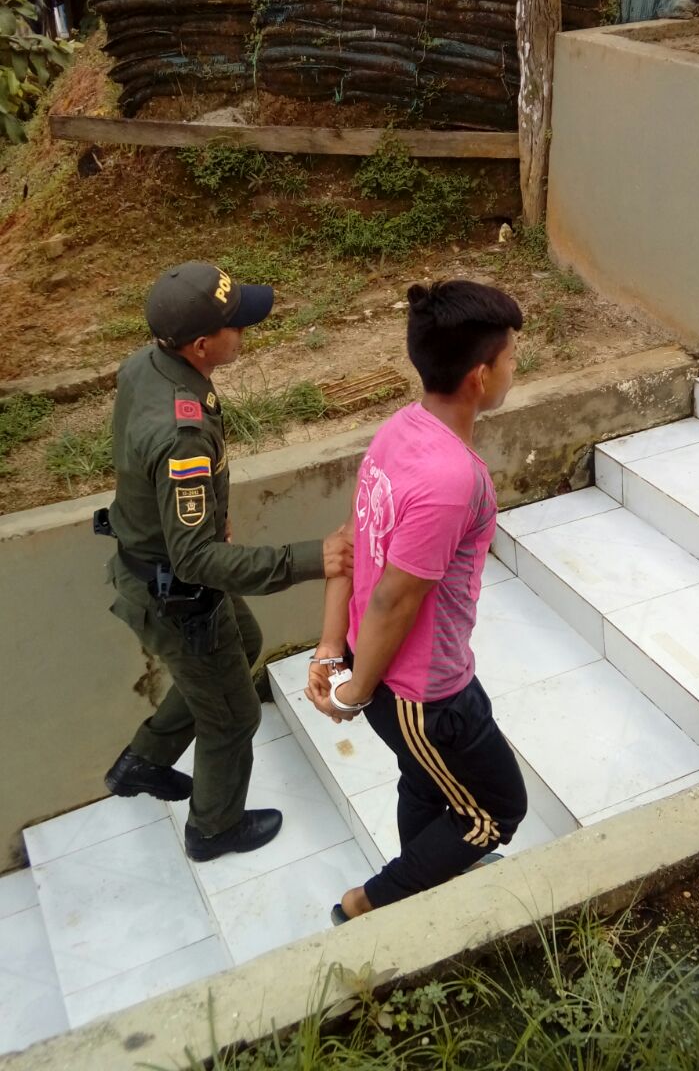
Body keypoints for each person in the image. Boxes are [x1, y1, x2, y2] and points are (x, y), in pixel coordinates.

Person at [101, 261, 352, 862]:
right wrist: (310, 558)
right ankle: (213, 830)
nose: (246, 330)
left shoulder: (150, 365)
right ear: (201, 344)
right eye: (235, 324)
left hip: (153, 563)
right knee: (234, 718)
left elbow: (171, 497)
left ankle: (145, 760)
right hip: (175, 594)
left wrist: (206, 517)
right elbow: (195, 560)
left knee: (243, 642)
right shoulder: (181, 430)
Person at [306, 279, 528, 920]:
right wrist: (352, 691)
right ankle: (367, 905)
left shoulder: (399, 431)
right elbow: (394, 603)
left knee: (426, 783)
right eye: (511, 357)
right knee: (494, 810)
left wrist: (330, 650)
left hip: (383, 675)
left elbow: (347, 543)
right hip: (425, 696)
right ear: (480, 377)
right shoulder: (455, 478)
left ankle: (427, 883)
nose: (515, 365)